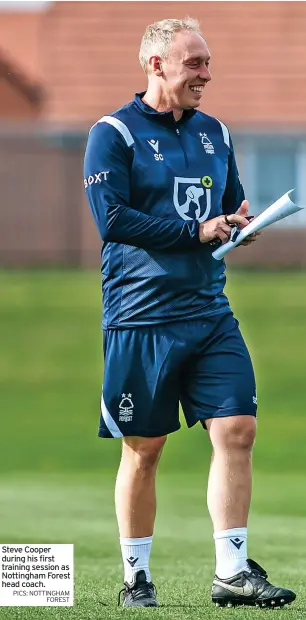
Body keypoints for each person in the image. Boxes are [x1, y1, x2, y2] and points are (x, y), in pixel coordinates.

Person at [84, 17, 296, 609]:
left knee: (238, 428)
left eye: (207, 62)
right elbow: (114, 221)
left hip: (209, 311)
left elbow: (225, 209)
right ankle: (136, 579)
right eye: (195, 63)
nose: (207, 73)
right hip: (140, 316)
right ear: (156, 65)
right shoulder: (112, 134)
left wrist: (238, 225)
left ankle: (231, 571)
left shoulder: (216, 134)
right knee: (144, 448)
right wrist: (196, 229)